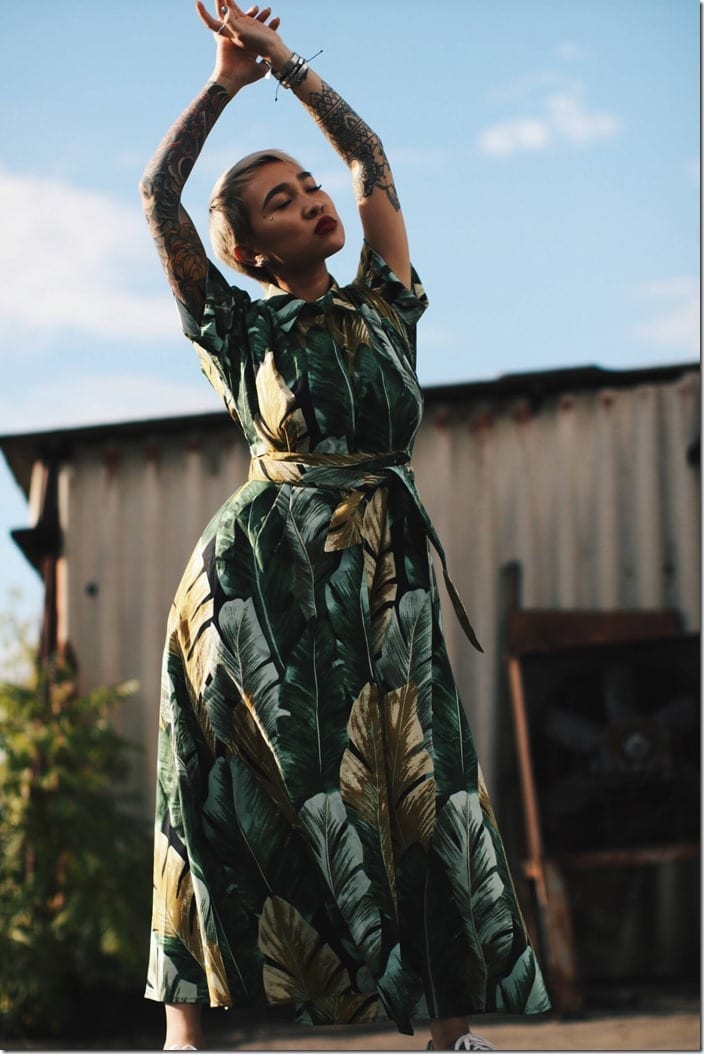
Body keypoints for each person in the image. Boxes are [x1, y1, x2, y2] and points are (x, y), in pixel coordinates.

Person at [139, 2, 551, 1050]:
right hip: (255, 591)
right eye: (281, 201)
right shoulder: (235, 330)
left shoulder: (386, 306)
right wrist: (222, 85)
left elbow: (368, 156)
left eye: (308, 186)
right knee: (219, 792)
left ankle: (451, 1032)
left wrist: (285, 69)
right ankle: (186, 1037)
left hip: (386, 579)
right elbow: (158, 195)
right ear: (244, 246)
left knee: (427, 785)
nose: (313, 201)